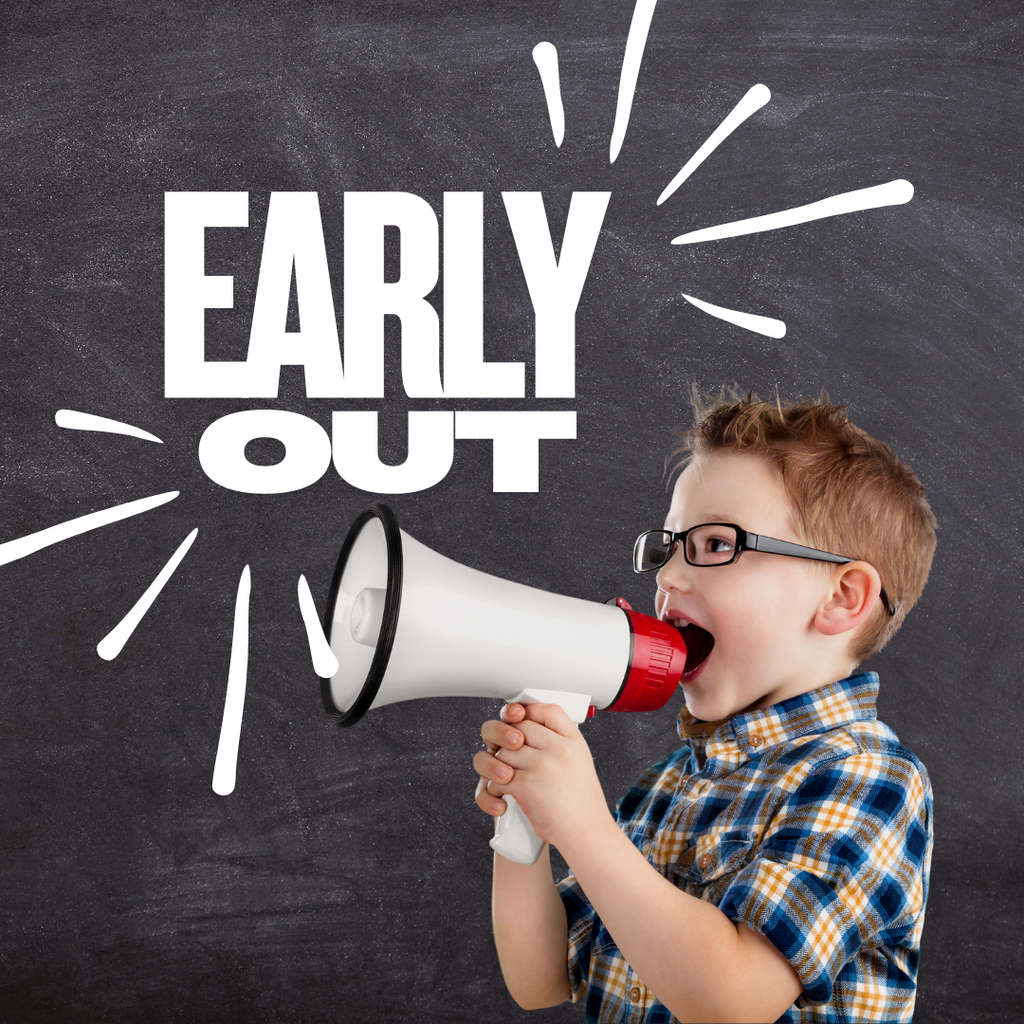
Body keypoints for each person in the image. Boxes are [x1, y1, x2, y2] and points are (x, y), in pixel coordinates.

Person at [472, 392, 936, 1023]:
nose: (666, 578)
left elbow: (732, 1000)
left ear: (842, 597)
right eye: (667, 548)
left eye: (717, 544)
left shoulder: (871, 779)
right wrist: (528, 819)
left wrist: (583, 826)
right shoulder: (671, 784)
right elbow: (541, 976)